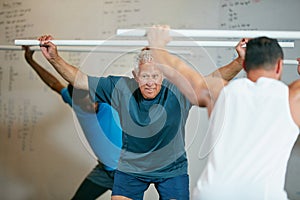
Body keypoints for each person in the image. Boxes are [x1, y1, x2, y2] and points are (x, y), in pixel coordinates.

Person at [37, 32, 245, 200]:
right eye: (145, 76)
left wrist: (240, 61)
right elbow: (80, 80)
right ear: (135, 76)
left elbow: (213, 81)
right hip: (131, 169)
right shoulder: (120, 87)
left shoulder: (178, 88)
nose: (150, 82)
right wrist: (55, 58)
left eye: (155, 76)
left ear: (163, 76)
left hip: (171, 170)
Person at [146, 25, 300, 200]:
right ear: (279, 65)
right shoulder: (292, 97)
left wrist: (157, 45)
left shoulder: (220, 91)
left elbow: (190, 81)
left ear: (245, 65)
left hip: (212, 194)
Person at [23, 46, 122, 200]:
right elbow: (53, 83)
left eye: (91, 101)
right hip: (103, 170)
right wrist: (30, 60)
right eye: (83, 104)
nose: (89, 106)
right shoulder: (76, 104)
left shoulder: (109, 102)